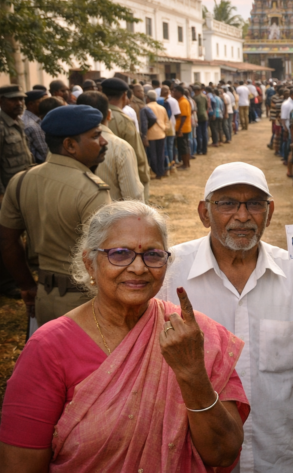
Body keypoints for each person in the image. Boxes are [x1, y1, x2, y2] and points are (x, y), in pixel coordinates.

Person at [0, 201, 249, 471]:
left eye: (153, 255)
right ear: (89, 263)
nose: (139, 268)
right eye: (120, 253)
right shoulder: (49, 348)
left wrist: (192, 375)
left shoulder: (194, 337)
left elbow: (224, 454)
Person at [158, 162, 293, 473]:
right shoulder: (170, 272)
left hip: (280, 460)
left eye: (255, 204)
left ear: (270, 213)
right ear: (204, 213)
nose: (243, 216)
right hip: (196, 462)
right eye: (227, 203)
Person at [0, 105, 112, 325]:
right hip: (85, 301)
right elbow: (106, 253)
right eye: (96, 136)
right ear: (70, 145)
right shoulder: (92, 190)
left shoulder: (21, 180)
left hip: (44, 297)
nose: (104, 141)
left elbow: (6, 240)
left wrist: (27, 285)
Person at [77, 91, 144, 202]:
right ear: (109, 114)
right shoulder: (121, 147)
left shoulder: (65, 146)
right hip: (110, 216)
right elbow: (132, 197)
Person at [103, 78, 150, 200]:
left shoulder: (94, 116)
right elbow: (138, 156)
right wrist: (144, 180)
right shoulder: (123, 120)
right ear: (124, 96)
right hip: (122, 182)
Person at [0, 85, 34, 198]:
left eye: (21, 99)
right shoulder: (2, 126)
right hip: (9, 191)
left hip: (25, 185)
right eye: (13, 100)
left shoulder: (19, 122)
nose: (19, 103)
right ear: (1, 101)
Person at [145, 90, 168, 180]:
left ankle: (155, 171)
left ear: (147, 99)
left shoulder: (146, 107)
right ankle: (160, 172)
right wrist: (164, 129)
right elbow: (166, 121)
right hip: (161, 133)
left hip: (150, 134)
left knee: (153, 155)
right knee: (160, 154)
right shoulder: (162, 108)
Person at [22, 90, 49, 164]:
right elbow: (45, 154)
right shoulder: (33, 125)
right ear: (31, 104)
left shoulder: (24, 117)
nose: (46, 105)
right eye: (43, 102)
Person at [172, 86, 192, 170]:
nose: (173, 93)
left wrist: (180, 130)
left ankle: (185, 164)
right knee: (183, 146)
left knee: (183, 146)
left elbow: (183, 116)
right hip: (184, 127)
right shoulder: (180, 101)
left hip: (183, 128)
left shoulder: (183, 102)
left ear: (179, 92)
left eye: (175, 91)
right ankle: (186, 163)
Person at [192, 85, 209, 155]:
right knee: (204, 133)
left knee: (199, 134)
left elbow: (195, 108)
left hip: (198, 117)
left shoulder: (194, 98)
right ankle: (205, 149)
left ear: (196, 91)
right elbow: (207, 106)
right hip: (205, 116)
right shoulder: (205, 97)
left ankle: (199, 149)